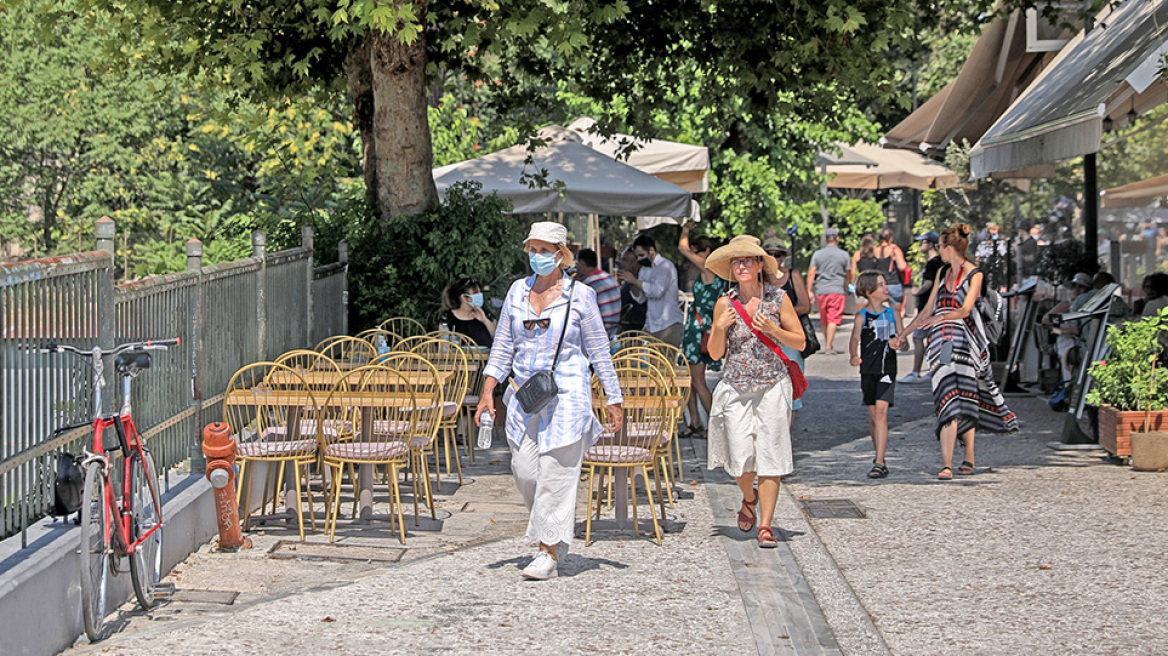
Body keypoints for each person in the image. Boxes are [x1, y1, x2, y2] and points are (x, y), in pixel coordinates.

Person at [475, 222, 623, 581]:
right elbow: (503, 346)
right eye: (532, 249)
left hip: (568, 393)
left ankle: (548, 552)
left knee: (556, 474)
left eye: (544, 250)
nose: (537, 257)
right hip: (525, 394)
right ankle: (552, 533)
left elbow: (599, 350)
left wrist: (612, 396)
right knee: (526, 471)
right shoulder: (516, 291)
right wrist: (487, 392)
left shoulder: (580, 296)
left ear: (560, 255)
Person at [704, 235, 805, 549]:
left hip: (773, 386)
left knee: (771, 456)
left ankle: (765, 524)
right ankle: (749, 497)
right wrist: (720, 327)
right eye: (737, 261)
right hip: (735, 387)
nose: (742, 265)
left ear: (761, 265)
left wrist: (773, 329)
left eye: (748, 260)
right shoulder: (725, 303)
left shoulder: (777, 299)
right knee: (740, 455)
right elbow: (715, 354)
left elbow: (799, 341)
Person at [902, 224, 1018, 480]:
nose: (938, 250)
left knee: (966, 398)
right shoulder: (943, 272)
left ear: (949, 248)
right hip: (941, 344)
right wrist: (904, 333)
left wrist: (940, 316)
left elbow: (965, 310)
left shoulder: (975, 274)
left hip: (967, 343)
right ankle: (946, 463)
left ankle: (969, 456)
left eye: (940, 246)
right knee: (947, 397)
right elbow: (927, 310)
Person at [849, 271, 906, 479]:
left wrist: (900, 343)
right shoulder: (861, 316)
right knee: (873, 415)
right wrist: (853, 355)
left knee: (881, 412)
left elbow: (903, 340)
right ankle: (877, 455)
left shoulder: (893, 314)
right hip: (868, 369)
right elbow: (855, 338)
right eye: (881, 285)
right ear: (869, 292)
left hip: (887, 368)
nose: (886, 289)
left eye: (885, 284)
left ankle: (880, 461)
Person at [677, 223, 725, 438]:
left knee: (697, 380)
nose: (694, 255)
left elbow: (682, 249)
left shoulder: (709, 267)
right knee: (690, 379)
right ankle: (695, 422)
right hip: (698, 327)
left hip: (700, 329)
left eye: (698, 251)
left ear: (706, 252)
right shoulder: (714, 272)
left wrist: (685, 230)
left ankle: (715, 424)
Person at [764, 236, 811, 417]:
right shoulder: (759, 278)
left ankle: (788, 436)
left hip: (790, 335)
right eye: (769, 254)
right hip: (766, 337)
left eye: (777, 254)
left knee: (792, 382)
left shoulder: (793, 275)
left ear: (783, 257)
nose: (774, 258)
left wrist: (781, 316)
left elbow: (805, 306)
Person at [617, 234, 684, 347]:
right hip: (651, 324)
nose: (639, 259)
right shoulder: (644, 270)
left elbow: (657, 291)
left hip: (668, 324)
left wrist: (635, 281)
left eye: (641, 255)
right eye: (637, 256)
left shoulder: (665, 266)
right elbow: (641, 299)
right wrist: (632, 281)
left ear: (651, 250)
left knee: (664, 362)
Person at [900, 231, 943, 383]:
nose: (920, 245)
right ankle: (941, 369)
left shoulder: (933, 263)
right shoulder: (943, 263)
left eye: (923, 242)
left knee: (918, 337)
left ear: (931, 244)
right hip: (940, 307)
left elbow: (929, 284)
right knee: (942, 338)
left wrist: (918, 292)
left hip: (928, 307)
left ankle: (916, 372)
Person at [1041, 272, 1095, 381]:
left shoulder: (1091, 305)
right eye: (1075, 287)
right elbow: (1046, 319)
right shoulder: (1068, 304)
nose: (1077, 290)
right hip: (1068, 344)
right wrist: (1064, 324)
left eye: (1081, 287)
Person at [807, 227, 851, 354]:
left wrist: (809, 290)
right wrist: (847, 284)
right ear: (837, 238)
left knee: (824, 318)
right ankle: (828, 345)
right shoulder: (844, 254)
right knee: (833, 318)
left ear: (826, 239)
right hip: (837, 289)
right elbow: (848, 273)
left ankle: (828, 344)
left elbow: (811, 273)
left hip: (821, 289)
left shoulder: (818, 254)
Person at [575, 248, 621, 340]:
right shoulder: (610, 277)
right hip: (614, 330)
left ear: (582, 264)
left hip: (600, 334)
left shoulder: (587, 285)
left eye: (577, 263)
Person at [440, 277, 496, 347]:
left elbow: (498, 337)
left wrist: (485, 320)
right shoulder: (447, 317)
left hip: (485, 357)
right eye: (475, 293)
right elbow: (443, 344)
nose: (479, 295)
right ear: (464, 297)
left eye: (480, 292)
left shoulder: (486, 314)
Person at [874, 228, 909, 322]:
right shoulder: (894, 249)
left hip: (880, 285)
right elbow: (902, 266)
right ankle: (897, 330)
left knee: (882, 310)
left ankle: (886, 329)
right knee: (897, 312)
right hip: (894, 283)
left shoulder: (874, 250)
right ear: (890, 238)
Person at [617, 248, 647, 333]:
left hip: (634, 328)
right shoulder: (630, 279)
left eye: (625, 260)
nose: (621, 263)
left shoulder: (639, 279)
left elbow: (621, 303)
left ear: (635, 262)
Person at [975, 222, 1010, 292]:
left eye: (995, 230)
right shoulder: (983, 245)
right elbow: (977, 259)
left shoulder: (1001, 244)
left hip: (997, 273)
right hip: (986, 273)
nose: (994, 232)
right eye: (992, 229)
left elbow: (1005, 257)